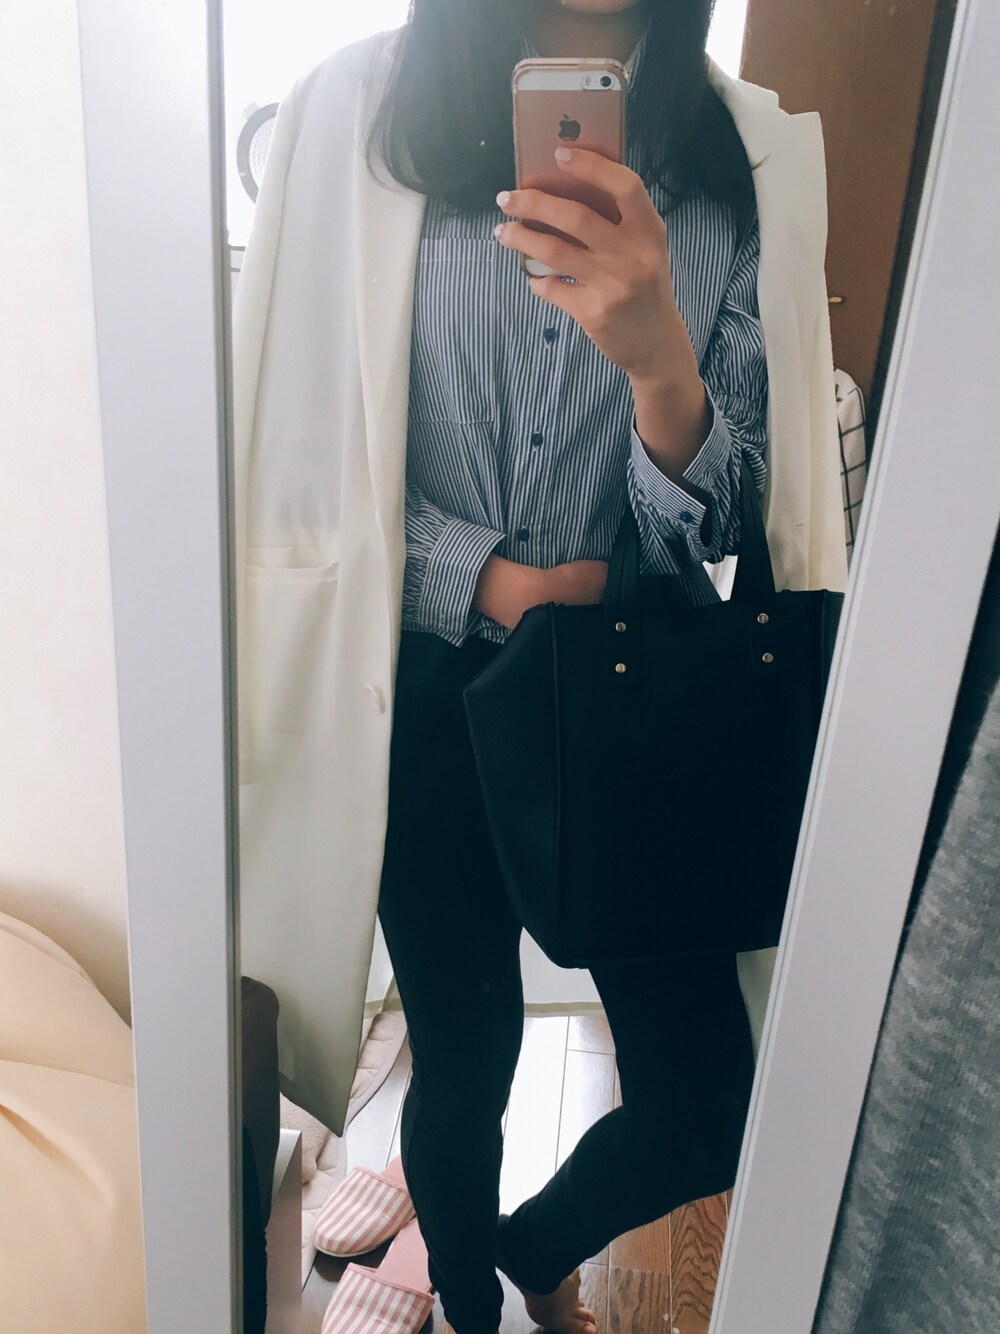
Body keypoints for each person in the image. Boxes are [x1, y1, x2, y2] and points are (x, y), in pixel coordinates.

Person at [373, 2, 763, 1331]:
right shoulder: (383, 150)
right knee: (460, 1070)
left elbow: (734, 512)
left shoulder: (731, 166)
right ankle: (470, 1306)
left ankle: (532, 1248)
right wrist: (485, 577)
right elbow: (315, 460)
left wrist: (661, 365)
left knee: (705, 1099)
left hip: (636, 688)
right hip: (437, 690)